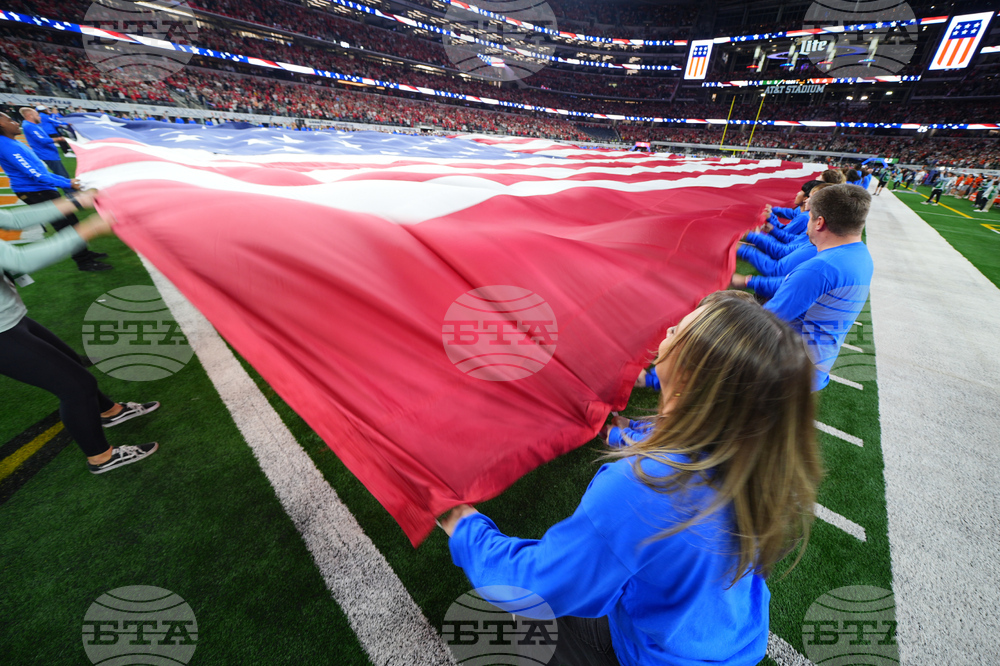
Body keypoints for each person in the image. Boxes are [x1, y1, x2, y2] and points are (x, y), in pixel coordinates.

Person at [441, 294, 821, 666]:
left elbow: (531, 585)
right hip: (728, 644)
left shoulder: (642, 489)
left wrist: (462, 524)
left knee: (530, 616)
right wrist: (622, 432)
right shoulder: (765, 463)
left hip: (657, 655)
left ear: (688, 378)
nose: (669, 329)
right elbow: (688, 447)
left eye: (679, 332)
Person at [0, 193, 160, 474]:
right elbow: (21, 261)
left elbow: (12, 219)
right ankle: (101, 457)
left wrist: (78, 201)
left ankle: (109, 412)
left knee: (70, 362)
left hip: (11, 319)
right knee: (77, 386)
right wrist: (90, 227)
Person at [731, 184, 873, 390]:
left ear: (819, 222)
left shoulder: (821, 268)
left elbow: (763, 322)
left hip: (789, 371)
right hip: (814, 366)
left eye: (810, 215)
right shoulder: (860, 256)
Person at [0, 112, 111, 272]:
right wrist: (67, 183)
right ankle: (84, 262)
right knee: (65, 225)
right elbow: (35, 175)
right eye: (9, 119)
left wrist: (66, 182)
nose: (15, 122)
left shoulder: (11, 142)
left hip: (41, 189)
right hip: (35, 192)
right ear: (1, 124)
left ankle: (85, 254)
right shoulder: (6, 145)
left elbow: (39, 171)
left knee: (71, 221)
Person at [18, 107, 69, 179]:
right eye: (37, 115)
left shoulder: (31, 125)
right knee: (63, 176)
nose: (39, 117)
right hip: (47, 154)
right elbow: (42, 140)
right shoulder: (30, 126)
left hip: (49, 153)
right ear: (30, 116)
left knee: (61, 175)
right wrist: (60, 139)